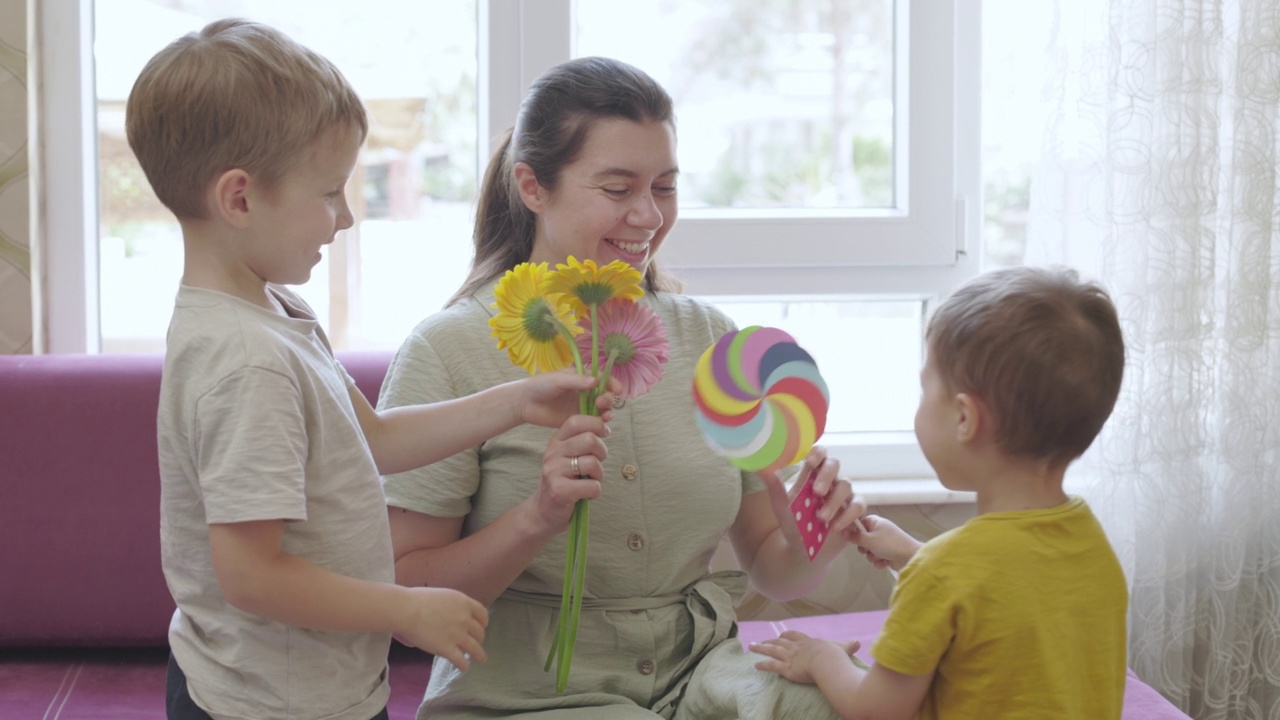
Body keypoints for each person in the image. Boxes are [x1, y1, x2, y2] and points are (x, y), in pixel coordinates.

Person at [128, 20, 614, 720]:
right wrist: (403, 609)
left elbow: (376, 438)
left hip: (322, 689)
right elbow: (251, 575)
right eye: (328, 193)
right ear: (238, 199)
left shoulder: (273, 310)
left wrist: (514, 402)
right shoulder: (246, 364)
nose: (346, 217)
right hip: (267, 705)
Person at [378, 56, 868, 719]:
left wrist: (815, 540)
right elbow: (405, 596)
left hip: (701, 676)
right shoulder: (447, 350)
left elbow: (772, 569)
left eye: (665, 187)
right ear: (531, 185)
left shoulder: (713, 342)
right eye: (617, 188)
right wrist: (536, 519)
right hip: (522, 694)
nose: (647, 216)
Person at [751, 265, 1129, 720]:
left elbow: (876, 710)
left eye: (925, 388)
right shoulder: (1092, 545)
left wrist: (821, 658)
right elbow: (1007, 597)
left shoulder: (941, 574)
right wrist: (912, 554)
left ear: (964, 419)